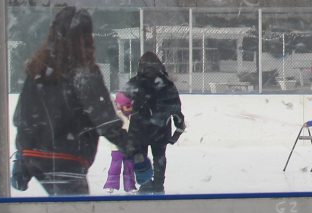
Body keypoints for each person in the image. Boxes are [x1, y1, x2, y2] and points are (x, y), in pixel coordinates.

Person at [11, 6, 140, 196]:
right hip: (68, 158)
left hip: (34, 157)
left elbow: (22, 117)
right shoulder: (84, 74)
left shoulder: (37, 70)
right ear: (86, 38)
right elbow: (103, 119)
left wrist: (22, 157)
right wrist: (133, 149)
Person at [122, 52, 186, 194]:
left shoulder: (135, 82)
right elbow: (176, 107)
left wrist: (131, 111)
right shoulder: (167, 84)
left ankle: (145, 183)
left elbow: (122, 102)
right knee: (159, 156)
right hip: (160, 127)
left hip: (140, 128)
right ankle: (158, 185)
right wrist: (178, 127)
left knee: (140, 156)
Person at [103, 92, 138, 194]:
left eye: (130, 106)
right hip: (117, 146)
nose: (129, 109)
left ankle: (130, 186)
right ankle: (110, 184)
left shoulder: (132, 116)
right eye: (127, 106)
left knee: (130, 166)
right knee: (115, 165)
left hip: (130, 146)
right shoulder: (116, 115)